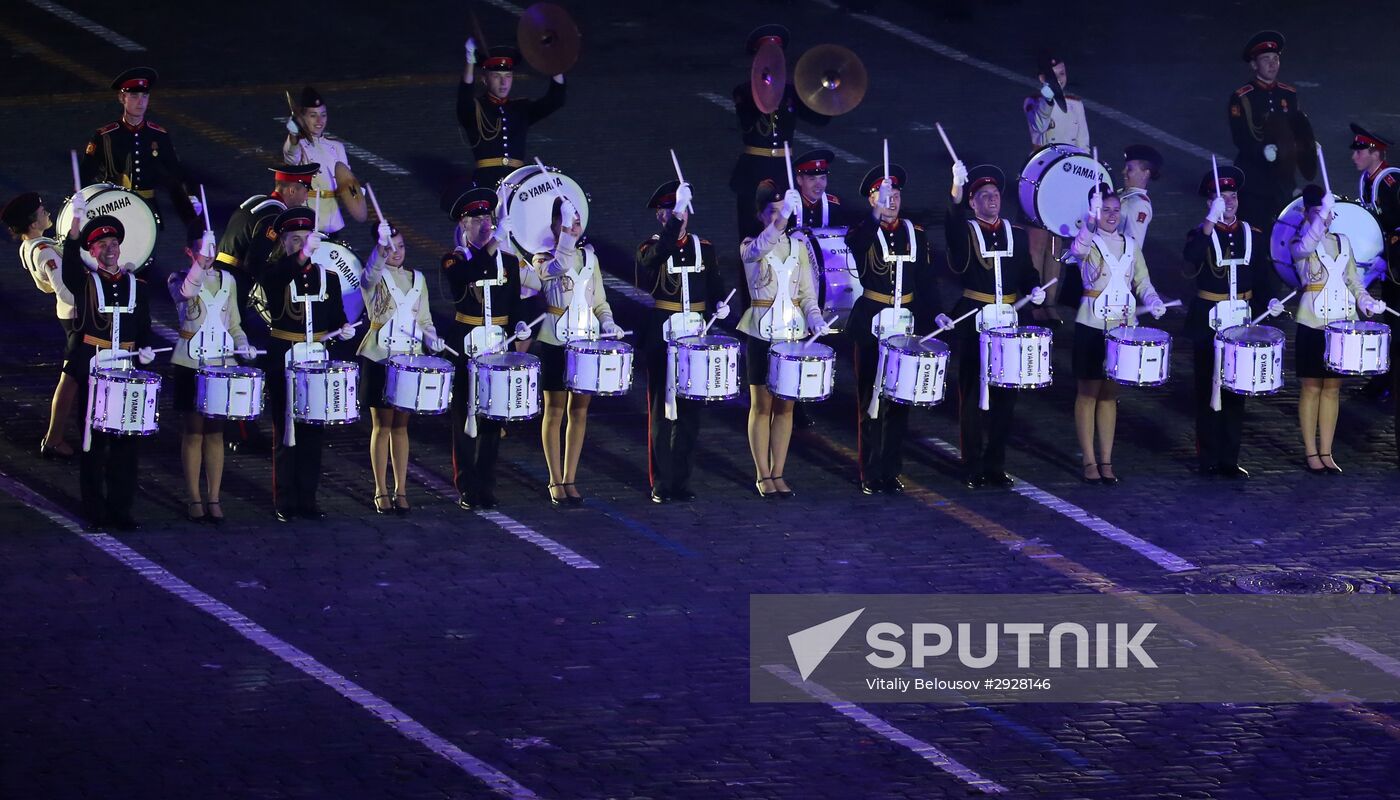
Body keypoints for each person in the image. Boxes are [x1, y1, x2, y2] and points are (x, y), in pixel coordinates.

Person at [59, 209, 160, 530]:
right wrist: (73, 233)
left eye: (114, 242)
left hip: (126, 372)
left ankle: (121, 509)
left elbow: (143, 327)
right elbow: (70, 266)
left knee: (126, 446)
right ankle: (94, 509)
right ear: (92, 251)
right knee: (93, 442)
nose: (110, 248)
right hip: (94, 369)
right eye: (101, 244)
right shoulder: (84, 282)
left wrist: (145, 349)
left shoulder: (138, 286)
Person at [844, 164, 943, 494]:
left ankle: (891, 469)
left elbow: (926, 280)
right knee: (871, 400)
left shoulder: (915, 232)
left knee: (899, 399)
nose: (892, 201)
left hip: (905, 322)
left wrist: (938, 313)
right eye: (885, 196)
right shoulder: (863, 231)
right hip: (873, 322)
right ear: (873, 200)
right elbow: (857, 242)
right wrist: (874, 215)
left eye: (896, 195)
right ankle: (870, 471)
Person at [945, 162, 1045, 488]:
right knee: (973, 396)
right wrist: (956, 197)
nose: (992, 199)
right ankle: (972, 464)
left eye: (995, 195)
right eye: (983, 195)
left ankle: (996, 463)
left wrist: (1035, 287)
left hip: (1010, 323)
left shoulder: (1014, 233)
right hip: (975, 322)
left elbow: (1027, 271)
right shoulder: (967, 230)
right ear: (973, 203)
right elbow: (954, 237)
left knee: (1006, 398)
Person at [257, 207, 354, 521]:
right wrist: (301, 258)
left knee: (313, 432)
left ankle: (307, 498)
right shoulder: (275, 273)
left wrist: (344, 329)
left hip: (316, 360)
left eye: (305, 239)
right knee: (287, 431)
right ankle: (285, 499)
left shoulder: (329, 278)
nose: (300, 245)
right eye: (294, 239)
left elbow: (336, 318)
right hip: (285, 358)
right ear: (284, 242)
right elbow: (279, 277)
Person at [635, 179, 729, 504]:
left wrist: (720, 304)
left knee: (690, 413)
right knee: (662, 410)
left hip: (695, 333)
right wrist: (675, 221)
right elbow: (654, 261)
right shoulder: (651, 246)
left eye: (675, 209)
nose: (669, 217)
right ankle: (661, 481)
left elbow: (715, 284)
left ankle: (682, 479)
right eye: (664, 212)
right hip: (663, 334)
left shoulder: (704, 246)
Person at [215, 163, 317, 453]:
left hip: (224, 280)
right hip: (234, 285)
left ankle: (233, 427)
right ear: (293, 189)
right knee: (238, 355)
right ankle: (241, 431)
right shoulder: (274, 216)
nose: (306, 198)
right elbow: (256, 263)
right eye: (305, 190)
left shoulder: (259, 202)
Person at [1067, 186, 1166, 484]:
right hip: (1091, 325)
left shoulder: (1130, 245)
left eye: (1114, 210)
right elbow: (1077, 251)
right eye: (1104, 210)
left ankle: (1107, 460)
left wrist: (1153, 300)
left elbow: (1143, 281)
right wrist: (1090, 218)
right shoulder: (1088, 241)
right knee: (1088, 393)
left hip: (1122, 327)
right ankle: (1088, 460)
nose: (1111, 215)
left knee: (1110, 395)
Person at [442, 187, 530, 510]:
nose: (485, 224)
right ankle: (466, 484)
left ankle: (487, 483)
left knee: (493, 417)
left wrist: (518, 326)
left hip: (498, 344)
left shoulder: (507, 261)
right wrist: (492, 247)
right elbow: (468, 276)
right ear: (464, 223)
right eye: (476, 218)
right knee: (465, 417)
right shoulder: (455, 259)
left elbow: (515, 301)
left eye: (488, 218)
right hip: (467, 346)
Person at [736, 180, 826, 498]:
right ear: (762, 216)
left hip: (791, 334)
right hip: (761, 332)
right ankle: (762, 473)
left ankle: (779, 471)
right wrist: (779, 221)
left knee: (786, 407)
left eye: (782, 210)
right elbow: (757, 251)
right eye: (772, 212)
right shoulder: (751, 244)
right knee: (762, 406)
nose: (779, 216)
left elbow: (806, 294)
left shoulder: (799, 248)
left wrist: (815, 319)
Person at [1288, 184, 1385, 475]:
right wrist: (1319, 218)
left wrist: (1366, 300)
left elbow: (1354, 280)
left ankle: (1327, 451)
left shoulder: (1343, 241)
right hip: (1312, 323)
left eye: (1328, 213)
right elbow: (1306, 246)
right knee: (1311, 387)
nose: (1326, 218)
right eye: (1318, 212)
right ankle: (1310, 451)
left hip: (1341, 324)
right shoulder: (1298, 242)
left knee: (1332, 388)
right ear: (1307, 213)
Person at [1183, 166, 1269, 478]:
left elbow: (1262, 273)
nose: (1229, 202)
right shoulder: (1201, 233)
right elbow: (1191, 259)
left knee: (1236, 389)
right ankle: (1207, 456)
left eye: (1232, 196)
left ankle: (1229, 458)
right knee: (1208, 389)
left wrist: (1267, 301)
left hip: (1242, 320)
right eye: (1222, 198)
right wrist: (1209, 223)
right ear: (1210, 203)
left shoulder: (1252, 234)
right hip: (1209, 321)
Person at [533, 198, 619, 506]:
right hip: (556, 341)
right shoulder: (542, 257)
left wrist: (608, 323)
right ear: (555, 225)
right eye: (567, 221)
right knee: (554, 411)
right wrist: (567, 237)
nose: (573, 226)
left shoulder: (590, 258)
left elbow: (599, 301)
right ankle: (555, 478)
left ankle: (570, 476)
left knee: (579, 411)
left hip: (586, 343)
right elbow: (559, 266)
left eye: (576, 221)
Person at [358, 219, 445, 514]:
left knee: (401, 427)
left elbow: (425, 320)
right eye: (392, 246)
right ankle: (381, 489)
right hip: (380, 357)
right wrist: (381, 249)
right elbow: (368, 276)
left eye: (401, 246)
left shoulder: (417, 279)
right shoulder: (375, 275)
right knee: (382, 426)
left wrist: (432, 338)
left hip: (409, 358)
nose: (398, 251)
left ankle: (401, 488)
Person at [168, 228, 251, 523]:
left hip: (221, 363)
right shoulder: (178, 278)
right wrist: (199, 266)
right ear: (189, 252)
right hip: (190, 363)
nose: (210, 254)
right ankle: (193, 496)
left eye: (212, 248)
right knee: (193, 432)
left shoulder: (228, 280)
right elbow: (187, 294)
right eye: (203, 249)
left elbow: (235, 324)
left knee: (215, 433)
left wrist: (242, 344)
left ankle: (214, 496)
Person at [727, 25, 830, 238]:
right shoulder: (744, 91)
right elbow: (747, 123)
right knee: (751, 231)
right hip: (753, 170)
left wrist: (827, 95)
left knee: (785, 230)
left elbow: (818, 119)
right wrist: (764, 91)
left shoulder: (791, 91)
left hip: (782, 169)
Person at [80, 67, 199, 236]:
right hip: (113, 209)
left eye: (145, 96)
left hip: (147, 211)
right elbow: (85, 177)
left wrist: (191, 208)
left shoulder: (159, 135)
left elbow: (175, 176)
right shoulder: (105, 136)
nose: (140, 102)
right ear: (122, 98)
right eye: (134, 96)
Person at [1227, 30, 1299, 311]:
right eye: (1266, 59)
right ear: (1254, 64)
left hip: (1281, 182)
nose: (1272, 63)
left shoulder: (1288, 95)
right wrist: (1262, 151)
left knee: (1281, 240)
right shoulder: (1242, 97)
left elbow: (1294, 131)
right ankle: (1257, 299)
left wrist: (1303, 146)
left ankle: (1277, 298)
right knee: (1256, 239)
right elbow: (1241, 137)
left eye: (1275, 58)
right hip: (1255, 182)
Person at [3, 193, 79, 458]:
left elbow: (44, 286)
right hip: (77, 317)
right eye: (42, 211)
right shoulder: (44, 251)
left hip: (68, 315)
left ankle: (60, 436)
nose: (47, 212)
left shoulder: (30, 246)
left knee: (74, 378)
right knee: (70, 378)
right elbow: (66, 292)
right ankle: (54, 438)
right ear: (33, 223)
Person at [1023, 52, 1090, 325]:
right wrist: (1048, 98)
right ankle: (1034, 301)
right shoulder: (1033, 103)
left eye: (1062, 74)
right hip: (1041, 177)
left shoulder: (1076, 104)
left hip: (1067, 181)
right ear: (1043, 79)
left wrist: (1085, 177)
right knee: (1036, 244)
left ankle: (1050, 302)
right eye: (1054, 76)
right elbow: (1038, 126)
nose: (1061, 80)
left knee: (1056, 244)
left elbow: (1083, 142)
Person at [456, 41, 566, 190]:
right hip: (487, 183)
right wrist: (470, 61)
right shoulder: (475, 109)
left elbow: (555, 100)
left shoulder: (520, 108)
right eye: (496, 76)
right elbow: (464, 98)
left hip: (518, 183)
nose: (503, 82)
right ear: (484, 79)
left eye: (508, 76)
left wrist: (554, 63)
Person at [1350, 123, 1400, 422]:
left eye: (1359, 151)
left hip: (1397, 266)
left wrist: (1388, 257)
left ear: (1375, 152)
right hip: (1389, 267)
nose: (1354, 156)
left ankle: (1389, 383)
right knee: (1390, 323)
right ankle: (1385, 380)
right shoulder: (1368, 180)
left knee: (1396, 324)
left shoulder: (1390, 181)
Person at [282, 88, 358, 236]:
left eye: (323, 115)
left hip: (332, 220)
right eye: (313, 115)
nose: (319, 121)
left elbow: (346, 179)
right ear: (302, 117)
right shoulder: (299, 145)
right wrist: (293, 134)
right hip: (307, 219)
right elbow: (291, 155)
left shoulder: (337, 147)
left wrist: (355, 193)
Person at [791, 149, 854, 229]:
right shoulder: (788, 206)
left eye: (822, 178)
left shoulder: (835, 205)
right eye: (812, 179)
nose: (818, 185)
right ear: (799, 180)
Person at [1119, 145, 1162, 246]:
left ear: (1145, 174)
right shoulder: (1123, 194)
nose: (1123, 172)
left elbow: (1134, 246)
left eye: (1129, 169)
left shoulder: (1139, 205)